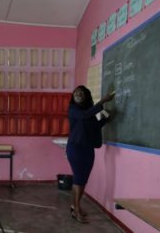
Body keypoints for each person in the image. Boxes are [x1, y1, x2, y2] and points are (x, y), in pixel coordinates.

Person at [66, 85, 114, 224]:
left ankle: (75, 205)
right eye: (76, 93)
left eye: (81, 93)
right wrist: (103, 101)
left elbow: (94, 126)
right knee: (78, 179)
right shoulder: (73, 109)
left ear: (86, 95)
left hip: (88, 149)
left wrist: (106, 119)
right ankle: (75, 210)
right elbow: (83, 116)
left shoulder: (88, 111)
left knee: (83, 180)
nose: (78, 94)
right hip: (76, 149)